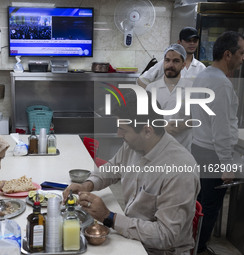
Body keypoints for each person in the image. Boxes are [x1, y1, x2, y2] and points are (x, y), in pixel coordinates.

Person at [63, 91, 200, 255]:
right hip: (132, 235)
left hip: (159, 250)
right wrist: (87, 185)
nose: (119, 134)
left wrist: (109, 217)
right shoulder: (134, 145)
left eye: (123, 130)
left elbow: (165, 235)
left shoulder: (179, 170)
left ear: (147, 131)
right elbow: (112, 168)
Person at [190, 31, 244, 255]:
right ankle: (199, 248)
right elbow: (220, 129)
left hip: (199, 148)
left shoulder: (204, 76)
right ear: (228, 54)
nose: (243, 58)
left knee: (199, 203)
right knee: (210, 206)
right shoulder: (220, 84)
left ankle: (192, 243)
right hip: (213, 153)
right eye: (241, 53)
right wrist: (227, 164)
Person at [146, 44, 193, 151]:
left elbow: (200, 117)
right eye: (167, 60)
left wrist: (182, 125)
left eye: (176, 61)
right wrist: (162, 128)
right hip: (157, 149)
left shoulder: (192, 87)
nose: (170, 64)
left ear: (183, 65)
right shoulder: (151, 88)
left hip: (183, 149)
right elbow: (144, 119)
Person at [138, 27, 206, 88]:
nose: (192, 43)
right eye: (188, 40)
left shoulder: (201, 68)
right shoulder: (166, 64)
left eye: (195, 41)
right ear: (179, 42)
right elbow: (142, 80)